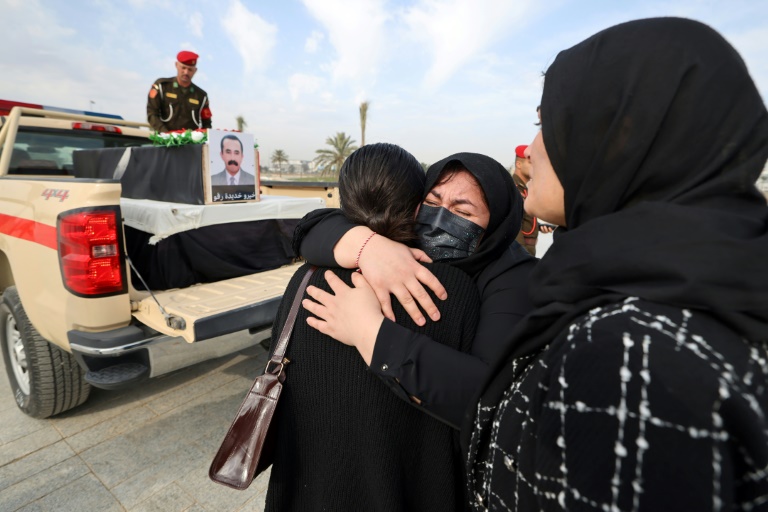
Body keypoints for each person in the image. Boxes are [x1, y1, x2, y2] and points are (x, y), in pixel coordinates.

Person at [464, 17, 768, 511]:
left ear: (618, 139)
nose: (534, 148)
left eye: (547, 124)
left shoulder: (629, 356)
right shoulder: (688, 294)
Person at [265, 143, 480, 511]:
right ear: (417, 207)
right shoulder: (452, 290)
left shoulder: (305, 279)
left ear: (344, 198)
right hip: (407, 491)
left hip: (310, 488)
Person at [295, 152, 536, 428]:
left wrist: (368, 330)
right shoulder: (403, 247)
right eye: (432, 203)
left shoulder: (515, 278)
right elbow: (310, 228)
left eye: (462, 212)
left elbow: (494, 395)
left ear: (496, 223)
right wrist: (369, 248)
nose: (438, 221)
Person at [146, 50, 212, 133]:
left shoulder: (201, 95)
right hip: (164, 140)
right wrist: (166, 134)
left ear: (195, 70)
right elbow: (152, 114)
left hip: (190, 143)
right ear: (176, 65)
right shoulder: (162, 86)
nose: (186, 72)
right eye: (183, 68)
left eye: (190, 69)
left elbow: (207, 123)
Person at [511, 144, 538, 255]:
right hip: (521, 249)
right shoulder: (514, 188)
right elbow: (514, 224)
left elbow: (524, 216)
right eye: (531, 163)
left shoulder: (524, 188)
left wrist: (539, 227)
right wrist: (521, 253)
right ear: (519, 164)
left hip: (528, 248)